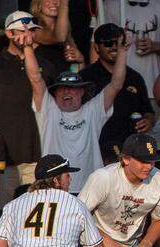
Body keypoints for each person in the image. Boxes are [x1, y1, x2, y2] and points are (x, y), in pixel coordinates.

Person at [29, 41, 126, 193]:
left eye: (73, 89)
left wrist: (122, 50)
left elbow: (116, 84)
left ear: (82, 92)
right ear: (54, 94)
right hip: (55, 188)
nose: (67, 92)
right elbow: (35, 79)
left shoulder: (93, 110)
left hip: (91, 189)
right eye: (62, 89)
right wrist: (28, 47)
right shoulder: (49, 110)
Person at [0, 13, 61, 207]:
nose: (27, 35)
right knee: (2, 215)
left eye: (31, 31)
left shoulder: (46, 66)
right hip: (3, 159)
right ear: (8, 33)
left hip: (37, 157)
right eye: (22, 30)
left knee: (32, 218)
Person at [79, 133, 160, 247]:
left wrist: (147, 242)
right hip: (95, 245)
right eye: (143, 161)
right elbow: (78, 215)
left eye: (152, 161)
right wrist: (104, 239)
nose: (149, 167)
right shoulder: (103, 177)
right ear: (126, 159)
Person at [80, 23, 156, 164]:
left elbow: (149, 111)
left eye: (119, 43)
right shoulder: (84, 78)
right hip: (96, 149)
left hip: (131, 150)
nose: (115, 47)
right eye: (108, 43)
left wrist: (148, 121)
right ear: (96, 48)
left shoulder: (135, 77)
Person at [102, 0, 160, 100]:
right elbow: (97, 43)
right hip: (118, 87)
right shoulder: (111, 4)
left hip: (151, 86)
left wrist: (155, 46)